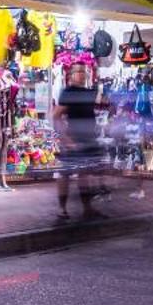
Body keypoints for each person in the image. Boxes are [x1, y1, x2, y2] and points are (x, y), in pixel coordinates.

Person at [52, 62, 108, 218]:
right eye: (79, 72)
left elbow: (101, 105)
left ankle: (87, 209)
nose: (83, 74)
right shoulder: (68, 92)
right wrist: (66, 138)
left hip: (88, 139)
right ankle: (62, 209)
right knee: (65, 174)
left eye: (85, 72)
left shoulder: (88, 92)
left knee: (85, 174)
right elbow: (56, 116)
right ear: (71, 75)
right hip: (73, 139)